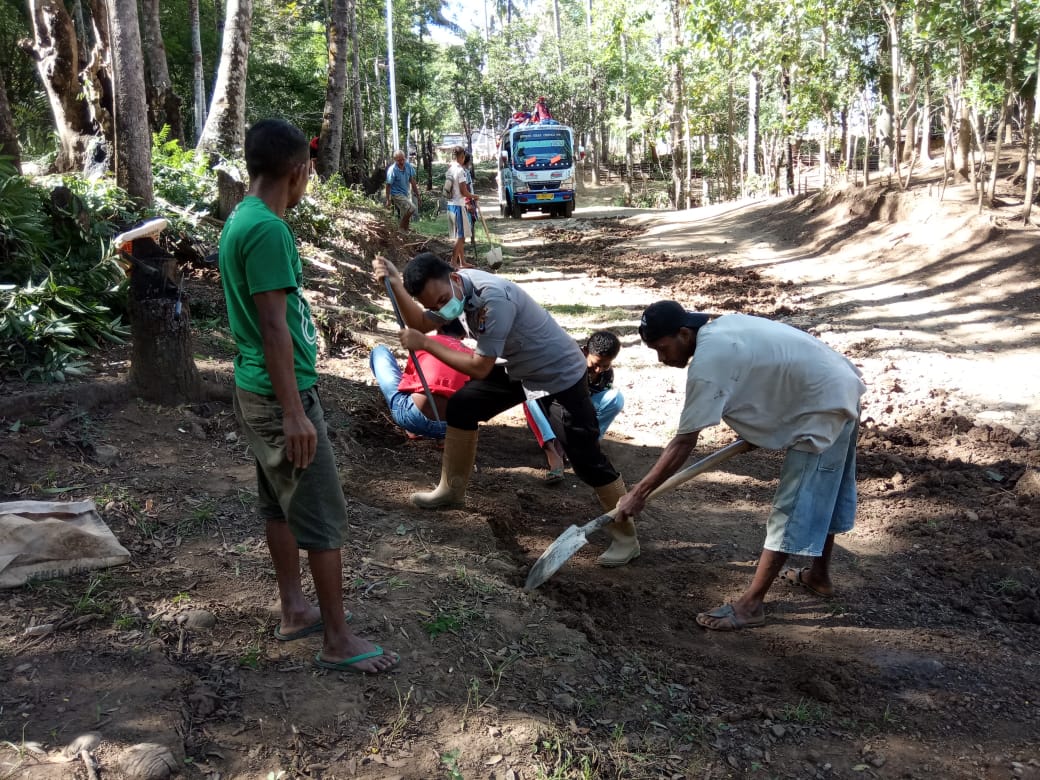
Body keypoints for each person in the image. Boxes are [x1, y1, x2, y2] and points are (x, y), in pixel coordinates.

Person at [219, 118, 398, 673]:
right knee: (321, 513)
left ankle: (296, 609)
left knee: (278, 501)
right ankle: (338, 640)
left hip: (257, 387)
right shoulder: (268, 230)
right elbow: (274, 326)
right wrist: (296, 413)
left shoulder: (241, 219)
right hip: (281, 396)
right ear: (300, 171)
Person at [372, 252, 637, 567]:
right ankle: (450, 491)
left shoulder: (493, 301)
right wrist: (393, 281)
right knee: (462, 406)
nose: (442, 310)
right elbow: (418, 321)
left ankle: (626, 537)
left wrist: (426, 344)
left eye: (442, 300)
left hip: (558, 374)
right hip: (519, 368)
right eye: (434, 306)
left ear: (455, 277)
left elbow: (479, 368)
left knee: (586, 459)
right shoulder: (456, 291)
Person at [614, 301, 866, 631]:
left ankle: (750, 607)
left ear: (684, 333)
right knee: (824, 494)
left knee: (791, 509)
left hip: (823, 408)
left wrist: (640, 492)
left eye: (662, 348)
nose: (661, 359)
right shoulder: (722, 327)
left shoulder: (708, 362)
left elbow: (683, 442)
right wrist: (764, 427)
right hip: (838, 386)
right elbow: (767, 373)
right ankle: (818, 576)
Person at [524, 330, 625, 484]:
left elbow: (591, 406)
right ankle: (553, 453)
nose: (598, 370)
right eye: (595, 364)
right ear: (585, 352)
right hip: (551, 409)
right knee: (528, 395)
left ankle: (587, 444)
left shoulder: (606, 374)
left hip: (577, 414)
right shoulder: (567, 361)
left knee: (616, 398)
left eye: (605, 365)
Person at [369, 330, 473, 440]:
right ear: (464, 334)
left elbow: (407, 383)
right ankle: (441, 440)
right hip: (452, 429)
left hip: (413, 418)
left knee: (379, 351)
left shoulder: (424, 342)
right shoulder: (472, 356)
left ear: (437, 325)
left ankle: (412, 429)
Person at [445, 146, 476, 269]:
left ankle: (462, 261)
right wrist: (474, 196)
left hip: (450, 205)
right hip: (458, 205)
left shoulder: (450, 170)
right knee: (461, 236)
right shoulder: (460, 171)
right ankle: (453, 262)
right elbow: (464, 192)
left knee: (459, 236)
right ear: (462, 156)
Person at [384, 149, 421, 231]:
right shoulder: (392, 170)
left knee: (405, 213)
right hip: (396, 194)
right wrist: (388, 199)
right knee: (411, 208)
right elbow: (388, 185)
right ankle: (401, 227)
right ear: (395, 160)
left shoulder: (408, 166)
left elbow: (412, 181)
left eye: (403, 159)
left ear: (405, 158)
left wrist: (418, 195)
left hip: (405, 193)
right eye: (398, 160)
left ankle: (405, 232)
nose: (401, 162)